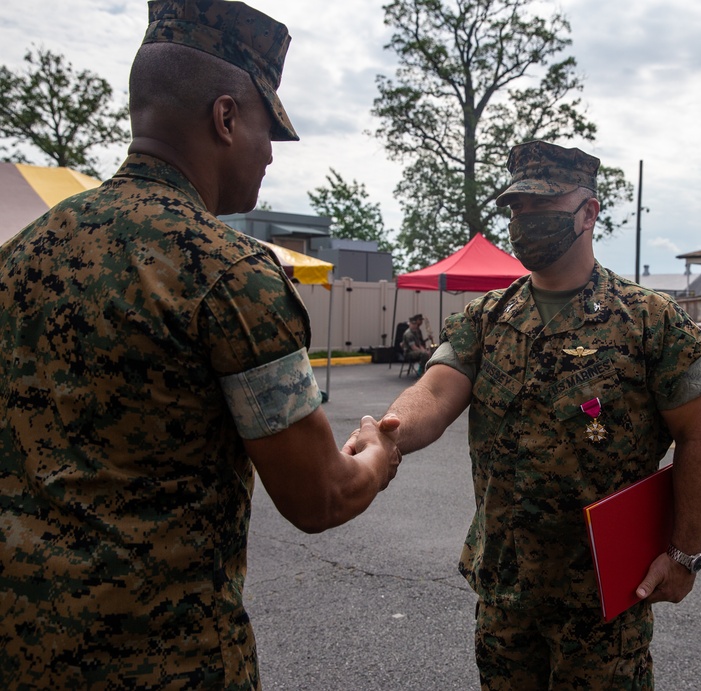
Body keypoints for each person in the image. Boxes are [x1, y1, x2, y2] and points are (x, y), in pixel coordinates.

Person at [0, 2, 399, 688]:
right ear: (224, 118)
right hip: (168, 666)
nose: (271, 153)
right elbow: (320, 498)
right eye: (267, 130)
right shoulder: (228, 275)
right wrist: (380, 455)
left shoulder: (20, 255)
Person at [379, 140, 701, 689]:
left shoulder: (649, 320)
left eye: (543, 207)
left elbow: (699, 439)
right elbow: (437, 390)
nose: (525, 221)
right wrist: (386, 434)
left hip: (604, 599)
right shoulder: (488, 316)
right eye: (517, 209)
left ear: (590, 213)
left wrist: (685, 554)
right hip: (505, 593)